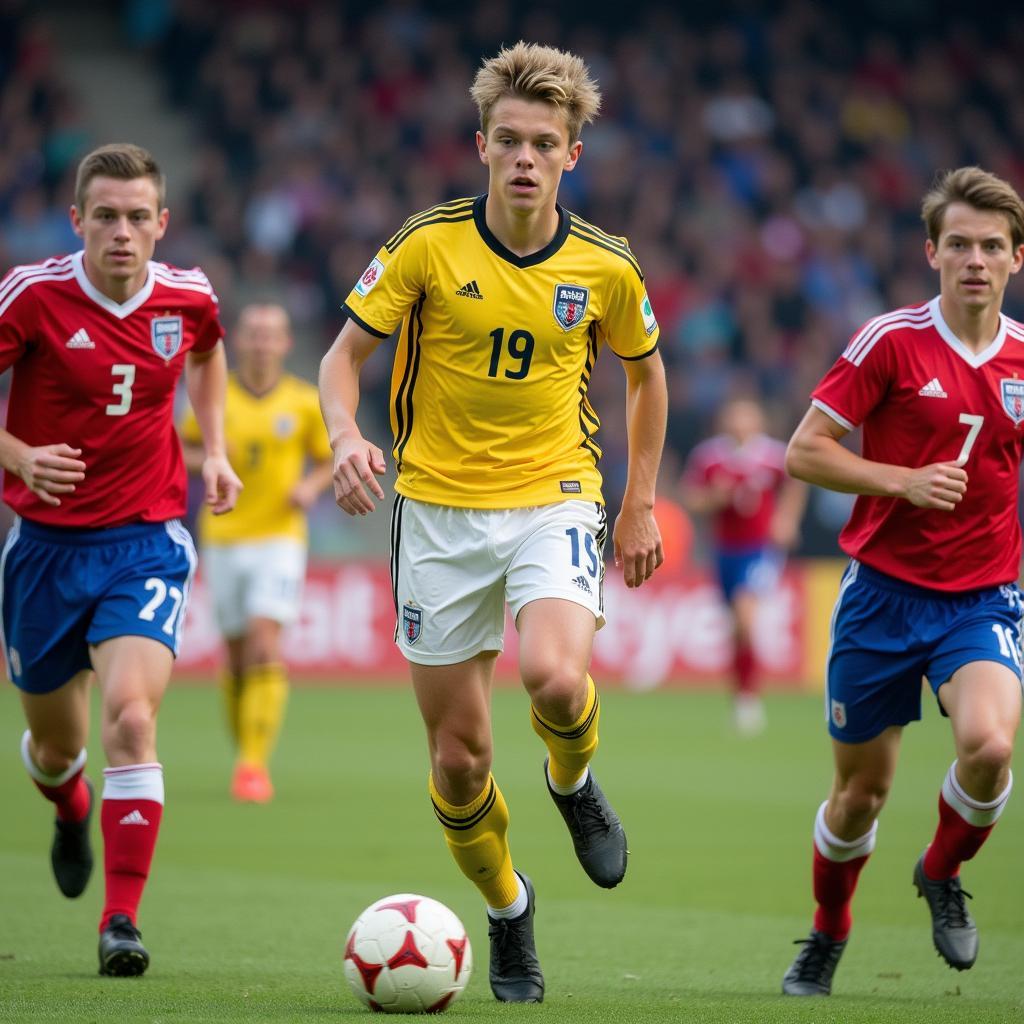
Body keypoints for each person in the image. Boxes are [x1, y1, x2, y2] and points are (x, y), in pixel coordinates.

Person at [319, 41, 666, 1004]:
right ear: (481, 146)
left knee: (558, 678)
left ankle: (571, 781)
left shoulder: (605, 265)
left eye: (542, 143)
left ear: (570, 157)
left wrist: (637, 502)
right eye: (507, 140)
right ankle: (510, 910)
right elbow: (342, 358)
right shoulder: (428, 244)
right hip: (434, 515)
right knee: (461, 760)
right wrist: (346, 435)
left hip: (554, 497)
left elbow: (647, 374)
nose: (523, 157)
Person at [781, 166, 1024, 995]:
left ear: (1015, 260)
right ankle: (827, 930)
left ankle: (941, 871)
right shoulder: (889, 341)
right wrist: (901, 480)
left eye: (993, 247)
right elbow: (803, 451)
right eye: (959, 244)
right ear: (932, 252)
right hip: (881, 596)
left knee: (990, 746)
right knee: (859, 798)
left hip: (982, 598)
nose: (975, 260)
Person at [0, 143, 241, 976]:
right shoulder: (31, 297)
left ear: (161, 224)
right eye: (105, 215)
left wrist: (215, 448)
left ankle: (121, 922)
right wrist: (16, 454)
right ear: (78, 221)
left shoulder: (189, 296)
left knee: (134, 721)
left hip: (146, 541)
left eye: (139, 217)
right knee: (59, 750)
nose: (123, 232)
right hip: (41, 552)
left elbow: (209, 357)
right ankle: (70, 808)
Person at [179, 303, 333, 803]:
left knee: (266, 642)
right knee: (238, 654)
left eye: (272, 335)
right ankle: (246, 750)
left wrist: (310, 487)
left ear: (286, 344)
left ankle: (252, 765)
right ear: (236, 341)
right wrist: (214, 460)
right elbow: (178, 449)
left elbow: (329, 460)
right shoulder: (212, 397)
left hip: (280, 539)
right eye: (253, 335)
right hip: (223, 536)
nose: (262, 343)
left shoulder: (304, 401)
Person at [681, 396, 806, 734]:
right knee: (737, 628)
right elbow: (691, 497)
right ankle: (741, 695)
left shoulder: (773, 456)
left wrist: (786, 518)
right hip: (724, 551)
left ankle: (749, 700)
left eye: (746, 417)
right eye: (734, 417)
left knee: (745, 616)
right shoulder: (709, 457)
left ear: (758, 422)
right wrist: (713, 499)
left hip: (760, 550)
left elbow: (797, 481)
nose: (740, 424)